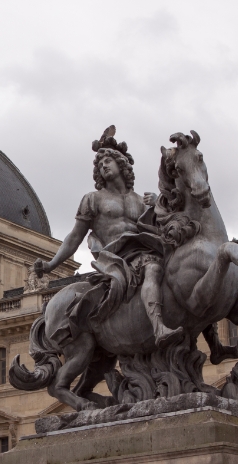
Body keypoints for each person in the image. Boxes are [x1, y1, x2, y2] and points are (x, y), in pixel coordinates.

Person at [34, 126, 182, 347]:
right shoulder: (93, 199)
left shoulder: (142, 200)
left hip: (143, 249)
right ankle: (158, 327)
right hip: (115, 256)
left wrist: (159, 207)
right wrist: (50, 265)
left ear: (121, 165)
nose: (103, 166)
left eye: (107, 162)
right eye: (100, 165)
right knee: (152, 268)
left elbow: (162, 231)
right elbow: (75, 237)